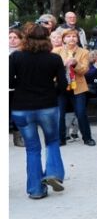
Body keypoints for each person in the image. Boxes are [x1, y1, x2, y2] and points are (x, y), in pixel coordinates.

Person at [10, 23, 70, 198]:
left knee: (32, 148)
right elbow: (63, 84)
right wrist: (52, 90)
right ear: (46, 37)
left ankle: (36, 190)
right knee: (52, 141)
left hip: (21, 107)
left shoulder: (15, 57)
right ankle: (52, 173)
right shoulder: (54, 59)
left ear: (25, 38)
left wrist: (21, 84)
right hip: (47, 105)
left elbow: (8, 82)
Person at [55, 28, 94, 146]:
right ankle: (60, 139)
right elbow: (51, 69)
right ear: (63, 39)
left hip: (78, 87)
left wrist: (75, 63)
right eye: (68, 36)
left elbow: (84, 70)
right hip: (61, 87)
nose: (71, 38)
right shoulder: (56, 51)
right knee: (59, 114)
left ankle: (87, 138)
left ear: (78, 39)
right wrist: (63, 65)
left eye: (74, 36)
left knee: (81, 113)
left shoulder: (84, 52)